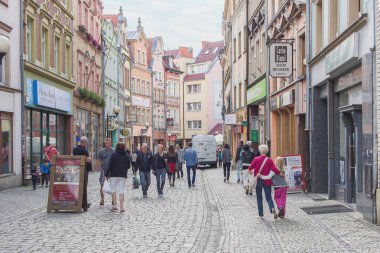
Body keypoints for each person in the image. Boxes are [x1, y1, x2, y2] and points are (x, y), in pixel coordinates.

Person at [248, 144, 281, 219]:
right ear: (267, 151)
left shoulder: (256, 159)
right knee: (268, 197)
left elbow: (250, 168)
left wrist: (253, 173)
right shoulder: (269, 160)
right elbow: (274, 169)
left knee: (259, 198)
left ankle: (261, 215)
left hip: (258, 180)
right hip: (267, 181)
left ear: (260, 151)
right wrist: (281, 173)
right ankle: (272, 208)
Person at [105, 142, 130, 212]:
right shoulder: (126, 155)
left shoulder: (113, 155)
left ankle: (115, 206)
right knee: (121, 190)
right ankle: (121, 207)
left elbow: (109, 165)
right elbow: (129, 166)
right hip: (123, 175)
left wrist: (106, 175)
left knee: (113, 190)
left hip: (113, 175)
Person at [73, 136, 92, 211]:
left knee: (76, 186)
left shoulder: (75, 149)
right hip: (83, 169)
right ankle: (84, 204)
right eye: (86, 142)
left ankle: (76, 203)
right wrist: (90, 158)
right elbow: (87, 160)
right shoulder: (84, 150)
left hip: (76, 169)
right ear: (84, 143)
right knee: (83, 187)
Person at [97, 138, 114, 206]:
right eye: (105, 143)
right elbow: (98, 160)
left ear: (110, 143)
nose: (107, 144)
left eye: (108, 143)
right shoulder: (101, 151)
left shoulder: (114, 151)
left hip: (112, 171)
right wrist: (100, 168)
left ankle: (113, 199)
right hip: (104, 170)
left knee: (113, 186)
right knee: (102, 185)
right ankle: (102, 199)